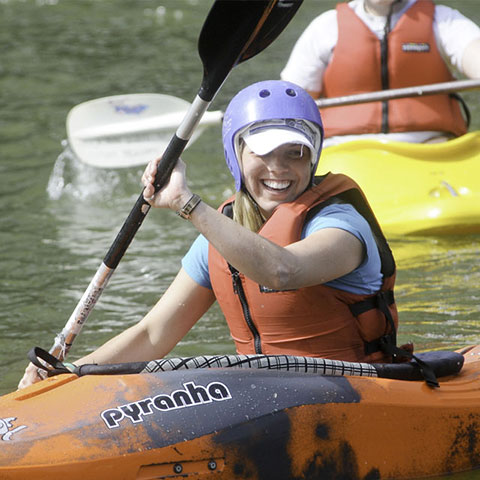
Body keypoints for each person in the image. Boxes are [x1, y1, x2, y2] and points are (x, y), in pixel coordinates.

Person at [18, 80, 402, 389]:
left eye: (294, 153)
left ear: (313, 155)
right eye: (261, 153)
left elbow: (282, 271)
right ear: (236, 157)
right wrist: (64, 375)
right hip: (264, 394)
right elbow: (154, 334)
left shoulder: (340, 224)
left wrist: (187, 203)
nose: (278, 168)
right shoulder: (219, 236)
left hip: (358, 390)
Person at [281, 0, 480, 146]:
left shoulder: (444, 21)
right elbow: (289, 101)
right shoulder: (325, 27)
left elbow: (473, 52)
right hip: (343, 152)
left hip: (432, 148)